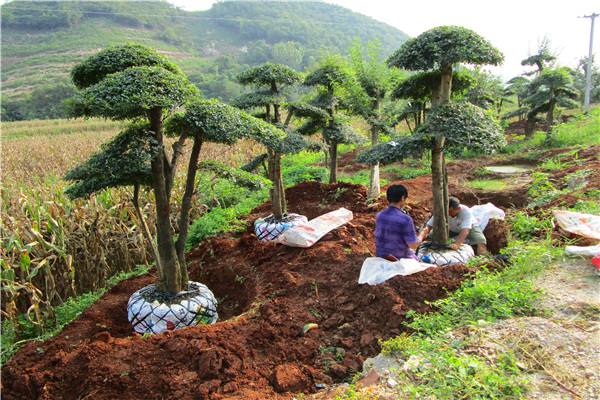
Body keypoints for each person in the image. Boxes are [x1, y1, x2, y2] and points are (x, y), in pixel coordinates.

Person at [417, 196, 488, 254]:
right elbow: (428, 227)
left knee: (480, 241)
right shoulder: (441, 211)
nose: (448, 214)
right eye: (447, 211)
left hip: (470, 227)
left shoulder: (466, 211)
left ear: (458, 209)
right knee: (431, 237)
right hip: (450, 228)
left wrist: (457, 244)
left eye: (450, 211)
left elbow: (465, 231)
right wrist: (420, 238)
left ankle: (483, 259)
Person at [375, 184, 420, 261]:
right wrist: (422, 235)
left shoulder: (379, 216)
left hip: (382, 258)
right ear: (402, 198)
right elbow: (413, 245)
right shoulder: (405, 219)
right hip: (400, 260)